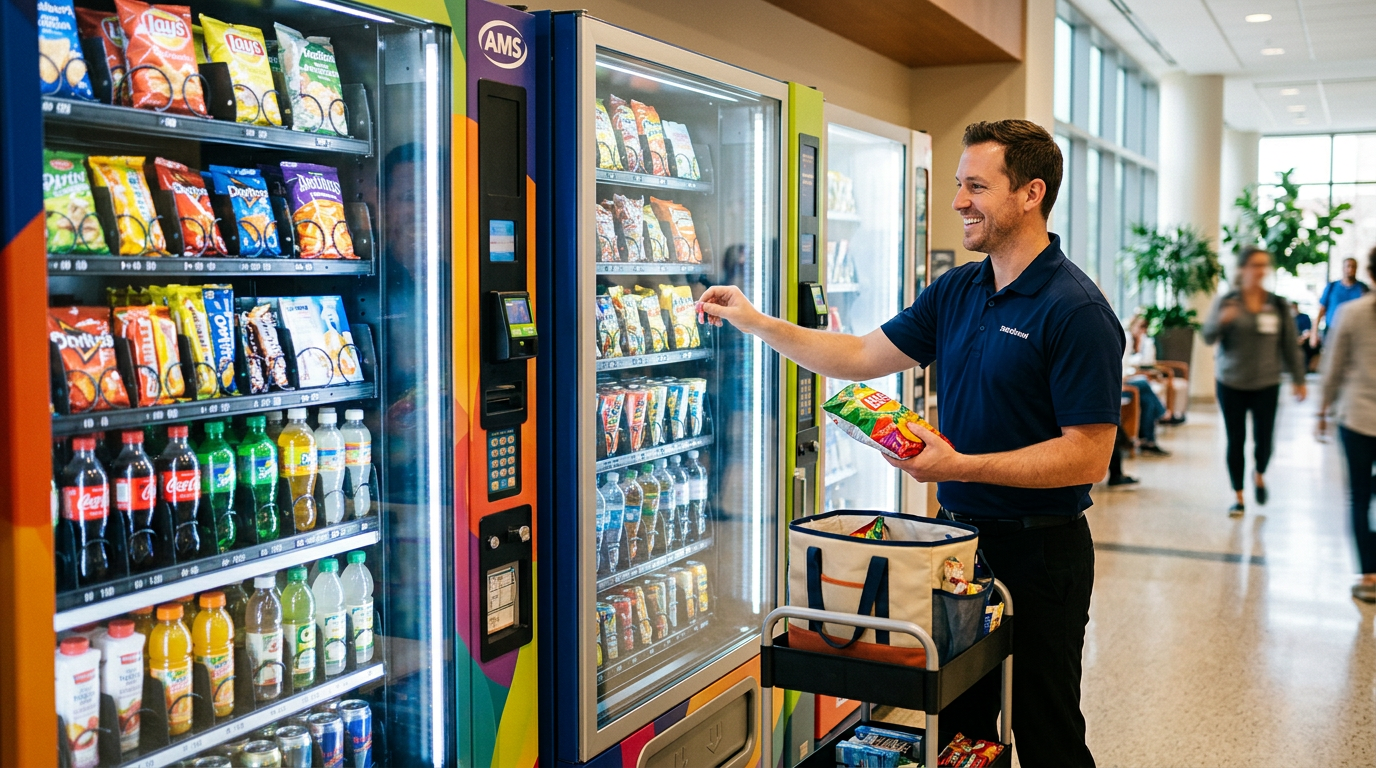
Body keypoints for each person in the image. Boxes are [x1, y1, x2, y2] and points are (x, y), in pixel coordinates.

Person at [697, 119, 1122, 767]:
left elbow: (1089, 454)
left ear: (1031, 194)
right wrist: (756, 321)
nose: (957, 202)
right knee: (959, 730)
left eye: (976, 186)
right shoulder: (959, 290)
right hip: (955, 549)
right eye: (958, 184)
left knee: (1046, 727)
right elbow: (863, 354)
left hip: (1042, 553)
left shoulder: (1076, 311)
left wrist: (959, 464)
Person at [1201, 247, 1307, 518]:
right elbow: (1208, 336)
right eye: (1255, 265)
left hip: (1267, 383)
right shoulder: (1228, 302)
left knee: (1264, 441)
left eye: (1263, 266)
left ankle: (1259, 473)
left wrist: (1299, 379)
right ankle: (1238, 496)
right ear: (1242, 269)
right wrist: (1223, 321)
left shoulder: (1278, 304)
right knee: (1236, 440)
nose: (1260, 271)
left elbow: (1289, 345)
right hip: (1231, 382)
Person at [1317, 256, 1376, 603]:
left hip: (1356, 417)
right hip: (1356, 415)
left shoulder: (1353, 313)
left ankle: (1369, 575)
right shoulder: (1346, 307)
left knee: (1358, 495)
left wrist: (1323, 410)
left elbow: (1333, 367)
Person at [1122, 314, 1170, 455]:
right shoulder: (1127, 339)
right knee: (1143, 382)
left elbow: (1146, 361)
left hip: (1126, 379)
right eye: (1140, 327)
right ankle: (1162, 413)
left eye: (1144, 328)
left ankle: (1147, 442)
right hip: (1119, 385)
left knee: (1147, 401)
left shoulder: (1145, 342)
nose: (1142, 330)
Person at [1313, 256, 1369, 347]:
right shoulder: (1332, 287)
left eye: (1353, 267)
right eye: (1348, 266)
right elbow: (1321, 310)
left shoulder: (1363, 289)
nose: (1350, 269)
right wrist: (1314, 333)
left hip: (1355, 334)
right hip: (1332, 331)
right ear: (1343, 268)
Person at [1294, 301, 1320, 373]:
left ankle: (1307, 367)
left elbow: (1307, 331)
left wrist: (1302, 338)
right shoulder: (1290, 319)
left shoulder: (1304, 317)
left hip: (1303, 339)